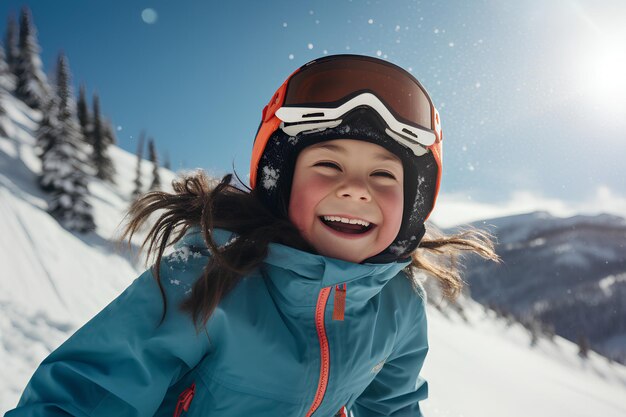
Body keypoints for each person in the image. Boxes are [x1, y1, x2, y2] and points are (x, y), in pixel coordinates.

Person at [6, 54, 498, 417]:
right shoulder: (208, 278)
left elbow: (390, 406)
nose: (355, 190)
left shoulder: (398, 304)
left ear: (413, 203)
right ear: (281, 183)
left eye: (384, 176)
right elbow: (82, 398)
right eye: (328, 165)